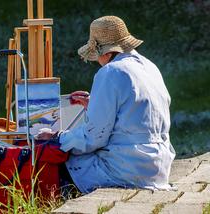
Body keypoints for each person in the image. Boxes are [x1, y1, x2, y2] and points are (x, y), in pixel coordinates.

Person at [36, 15, 176, 193]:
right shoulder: (150, 67)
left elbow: (93, 138)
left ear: (107, 52)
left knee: (54, 164)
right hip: (159, 167)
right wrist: (95, 107)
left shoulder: (110, 72)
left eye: (97, 56)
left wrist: (57, 137)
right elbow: (137, 114)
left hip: (126, 168)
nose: (97, 61)